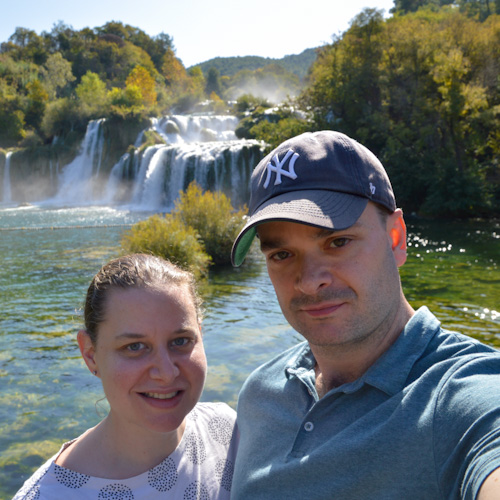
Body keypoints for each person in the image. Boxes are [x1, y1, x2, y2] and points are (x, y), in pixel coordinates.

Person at [230, 130, 500, 499]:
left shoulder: (458, 397)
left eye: (337, 242)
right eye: (281, 255)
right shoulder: (261, 394)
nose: (309, 282)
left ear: (397, 238)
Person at [13, 253, 237, 499]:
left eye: (181, 341)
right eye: (134, 347)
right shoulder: (48, 495)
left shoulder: (227, 431)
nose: (166, 372)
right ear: (90, 354)